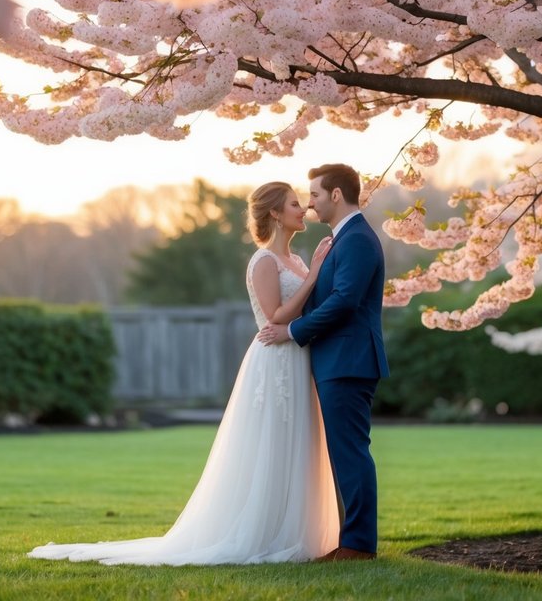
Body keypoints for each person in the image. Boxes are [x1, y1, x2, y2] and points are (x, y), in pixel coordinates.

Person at [28, 182, 339, 565]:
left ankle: (293, 531)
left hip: (299, 358)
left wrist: (314, 273)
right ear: (274, 213)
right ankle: (260, 534)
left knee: (299, 443)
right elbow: (275, 315)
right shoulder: (263, 261)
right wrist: (314, 277)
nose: (303, 209)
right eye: (294, 204)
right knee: (271, 443)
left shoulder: (299, 260)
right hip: (274, 360)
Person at [258, 163, 389, 562]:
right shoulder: (340, 239)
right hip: (336, 359)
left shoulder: (357, 240)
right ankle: (349, 540)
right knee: (344, 452)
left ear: (336, 195)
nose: (310, 202)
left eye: (314, 194)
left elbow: (345, 301)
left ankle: (358, 545)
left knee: (350, 452)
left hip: (348, 359)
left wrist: (295, 331)